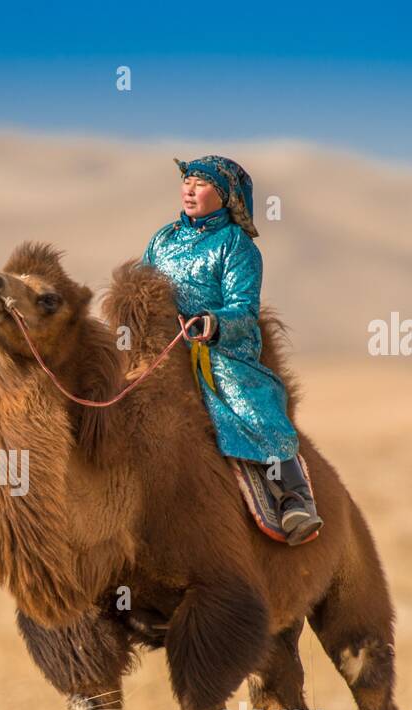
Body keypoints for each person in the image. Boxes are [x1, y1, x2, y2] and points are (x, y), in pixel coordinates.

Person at [141, 154, 321, 544]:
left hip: (218, 349)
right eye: (187, 179)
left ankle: (293, 498)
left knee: (247, 401)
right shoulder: (162, 240)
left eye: (201, 183)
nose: (189, 188)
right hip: (161, 343)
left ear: (225, 197)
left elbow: (244, 308)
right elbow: (141, 288)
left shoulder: (237, 247)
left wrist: (212, 323)